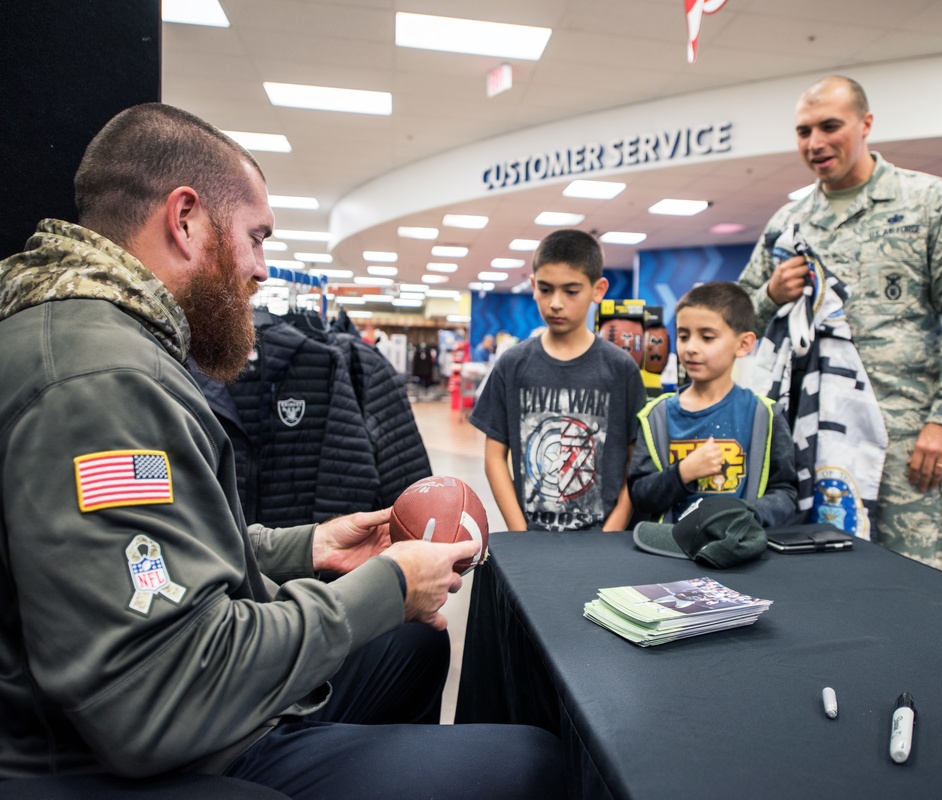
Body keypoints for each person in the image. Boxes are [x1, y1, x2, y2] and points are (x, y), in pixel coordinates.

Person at [0, 103, 566, 799]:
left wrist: (307, 547)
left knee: (413, 645)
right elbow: (157, 698)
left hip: (165, 721)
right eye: (256, 237)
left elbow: (153, 558)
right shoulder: (103, 382)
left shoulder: (98, 337)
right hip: (149, 759)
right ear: (185, 220)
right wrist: (387, 587)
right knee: (532, 763)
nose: (264, 270)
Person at [738, 75, 942, 575]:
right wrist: (770, 295)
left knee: (923, 592)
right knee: (823, 592)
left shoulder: (929, 203)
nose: (814, 143)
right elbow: (734, 324)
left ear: (866, 124)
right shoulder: (789, 223)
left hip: (908, 447)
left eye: (829, 126)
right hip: (811, 449)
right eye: (803, 131)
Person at [470, 229, 646, 531]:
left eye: (571, 291)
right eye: (546, 289)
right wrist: (519, 531)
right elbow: (494, 457)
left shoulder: (621, 368)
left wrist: (613, 529)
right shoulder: (512, 364)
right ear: (533, 285)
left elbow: (635, 462)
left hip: (601, 539)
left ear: (598, 290)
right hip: (530, 537)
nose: (556, 303)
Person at [628, 282, 798, 526]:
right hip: (669, 551)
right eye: (683, 336)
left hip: (738, 550)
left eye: (707, 338)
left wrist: (747, 515)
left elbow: (785, 492)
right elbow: (641, 495)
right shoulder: (656, 416)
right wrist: (683, 472)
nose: (691, 348)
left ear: (744, 344)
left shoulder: (765, 415)